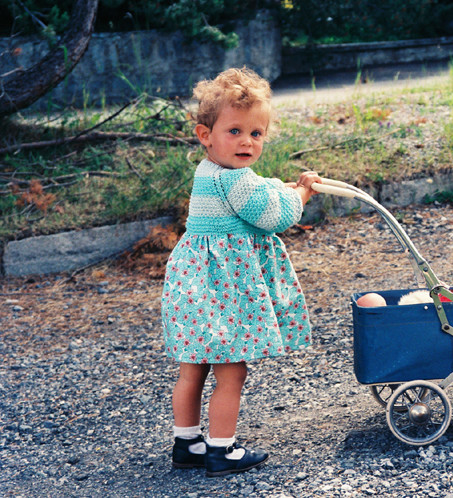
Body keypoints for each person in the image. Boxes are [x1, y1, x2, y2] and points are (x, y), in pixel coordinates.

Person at [161, 67, 321, 477]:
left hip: (196, 286)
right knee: (232, 371)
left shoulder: (211, 171)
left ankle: (187, 442)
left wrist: (277, 187)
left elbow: (258, 188)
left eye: (256, 133)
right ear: (205, 135)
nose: (247, 141)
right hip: (223, 292)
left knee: (192, 367)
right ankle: (222, 450)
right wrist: (301, 192)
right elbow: (273, 215)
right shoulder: (235, 180)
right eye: (234, 131)